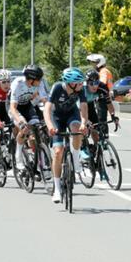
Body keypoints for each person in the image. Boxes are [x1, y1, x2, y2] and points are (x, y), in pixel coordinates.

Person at [44, 67, 89, 203]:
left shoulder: (80, 90)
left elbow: (83, 108)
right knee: (58, 152)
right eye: (79, 82)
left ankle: (76, 158)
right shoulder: (58, 87)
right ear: (70, 83)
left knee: (77, 130)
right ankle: (57, 189)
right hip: (56, 117)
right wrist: (50, 126)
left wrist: (84, 123)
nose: (82, 85)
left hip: (71, 114)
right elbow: (47, 109)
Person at [8, 65, 48, 171]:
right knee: (24, 128)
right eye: (39, 79)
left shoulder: (39, 83)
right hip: (13, 106)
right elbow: (13, 108)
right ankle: (18, 159)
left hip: (27, 105)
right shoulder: (18, 83)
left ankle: (41, 162)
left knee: (37, 128)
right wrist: (21, 122)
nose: (41, 81)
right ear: (31, 79)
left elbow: (45, 100)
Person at [81, 69, 119, 176]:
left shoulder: (102, 87)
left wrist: (113, 116)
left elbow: (108, 103)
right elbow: (79, 110)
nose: (94, 86)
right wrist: (85, 121)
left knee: (95, 129)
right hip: (79, 106)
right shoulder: (82, 89)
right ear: (87, 83)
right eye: (91, 83)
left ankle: (96, 153)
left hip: (90, 105)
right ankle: (83, 147)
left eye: (96, 83)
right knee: (83, 127)